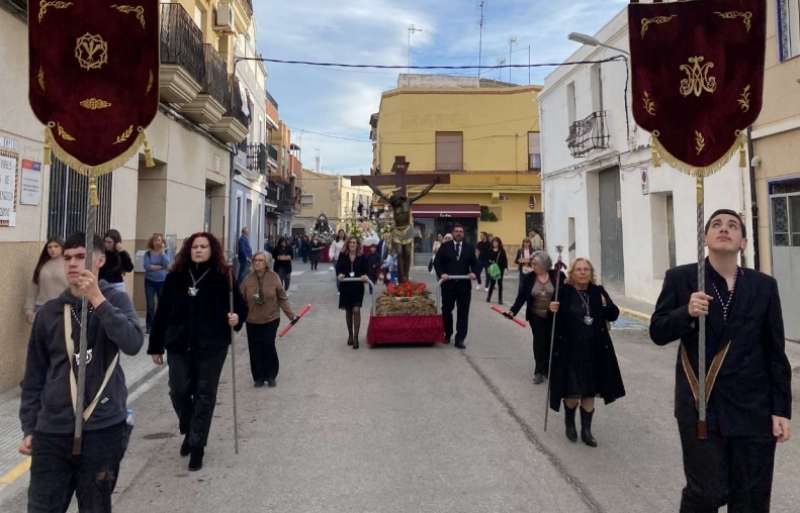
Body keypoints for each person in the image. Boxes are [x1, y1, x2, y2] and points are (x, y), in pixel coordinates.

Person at [649, 209, 792, 513]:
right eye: (716, 224)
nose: (724, 229)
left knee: (751, 495)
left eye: (732, 226)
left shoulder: (763, 286)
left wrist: (781, 408)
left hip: (754, 407)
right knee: (706, 494)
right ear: (705, 238)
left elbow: (775, 351)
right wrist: (684, 312)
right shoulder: (683, 278)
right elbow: (658, 332)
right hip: (702, 405)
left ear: (743, 241)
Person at [19, 232, 143, 513]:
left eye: (81, 256)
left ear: (99, 260)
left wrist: (98, 300)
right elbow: (35, 375)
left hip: (102, 427)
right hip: (53, 429)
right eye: (68, 258)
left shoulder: (114, 301)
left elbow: (133, 343)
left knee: (95, 507)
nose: (73, 263)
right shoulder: (50, 312)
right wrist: (29, 426)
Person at [148, 232, 247, 471]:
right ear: (188, 250)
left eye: (203, 246)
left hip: (212, 345)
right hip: (179, 343)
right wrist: (155, 345)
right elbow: (162, 314)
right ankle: (190, 428)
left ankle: (197, 445)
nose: (199, 250)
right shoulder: (175, 277)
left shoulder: (224, 277)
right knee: (178, 390)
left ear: (212, 250)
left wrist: (236, 318)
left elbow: (240, 307)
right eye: (195, 247)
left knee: (205, 394)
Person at [549, 257, 625, 447]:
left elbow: (613, 314)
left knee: (589, 392)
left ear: (591, 273)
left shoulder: (598, 291)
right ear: (572, 273)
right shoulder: (563, 292)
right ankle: (569, 423)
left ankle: (586, 431)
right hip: (570, 351)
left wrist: (606, 305)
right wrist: (552, 310)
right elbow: (551, 323)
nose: (583, 272)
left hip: (595, 350)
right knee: (573, 393)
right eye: (579, 269)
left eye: (586, 269)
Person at [506, 251, 565, 384]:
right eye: (532, 264)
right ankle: (539, 371)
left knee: (551, 341)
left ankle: (549, 369)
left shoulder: (557, 276)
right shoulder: (528, 278)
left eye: (536, 264)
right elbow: (521, 296)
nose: (533, 266)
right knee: (539, 342)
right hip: (536, 315)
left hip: (554, 315)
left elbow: (566, 292)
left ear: (544, 264)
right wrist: (512, 311)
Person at [241, 252, 298, 388]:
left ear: (267, 262)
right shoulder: (247, 279)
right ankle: (258, 377)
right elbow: (240, 300)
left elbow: (282, 298)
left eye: (261, 260)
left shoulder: (274, 277)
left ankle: (271, 375)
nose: (257, 262)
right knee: (255, 348)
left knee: (268, 345)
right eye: (255, 260)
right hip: (252, 319)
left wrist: (291, 315)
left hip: (271, 318)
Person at [434, 224, 478, 349]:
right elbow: (437, 262)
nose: (459, 233)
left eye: (461, 231)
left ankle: (460, 339)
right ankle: (447, 334)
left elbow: (475, 263)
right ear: (453, 233)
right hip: (448, 285)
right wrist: (442, 273)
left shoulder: (469, 248)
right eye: (456, 231)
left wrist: (474, 272)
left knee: (463, 312)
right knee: (447, 310)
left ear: (463, 234)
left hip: (464, 285)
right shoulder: (445, 246)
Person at [336, 236, 370, 349]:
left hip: (357, 287)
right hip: (346, 287)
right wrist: (340, 274)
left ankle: (356, 337)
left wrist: (365, 275)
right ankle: (350, 334)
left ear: (357, 245)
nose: (352, 244)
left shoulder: (362, 256)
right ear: (347, 244)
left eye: (354, 243)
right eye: (350, 242)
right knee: (348, 310)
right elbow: (338, 268)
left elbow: (366, 269)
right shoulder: (343, 255)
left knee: (356, 310)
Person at [25, 237, 68, 324]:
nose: (52, 249)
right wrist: (29, 309)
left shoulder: (69, 264)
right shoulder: (42, 265)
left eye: (56, 246)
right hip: (41, 307)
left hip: (63, 308)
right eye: (49, 247)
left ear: (62, 247)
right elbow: (34, 288)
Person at [143, 233, 171, 334]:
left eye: (159, 240)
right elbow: (147, 266)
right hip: (149, 282)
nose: (157, 242)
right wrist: (161, 267)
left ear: (162, 242)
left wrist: (162, 253)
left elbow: (168, 264)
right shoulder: (148, 253)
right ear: (152, 242)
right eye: (155, 240)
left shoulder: (166, 252)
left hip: (162, 282)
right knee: (150, 305)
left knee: (162, 304)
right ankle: (149, 326)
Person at [485, 237, 508, 304]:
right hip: (493, 268)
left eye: (496, 242)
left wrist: (506, 268)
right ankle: (489, 297)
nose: (495, 243)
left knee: (500, 283)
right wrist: (488, 267)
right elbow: (487, 259)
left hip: (500, 269)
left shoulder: (502, 250)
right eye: (494, 242)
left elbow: (505, 260)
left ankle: (500, 299)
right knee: (492, 283)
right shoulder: (490, 250)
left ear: (499, 243)